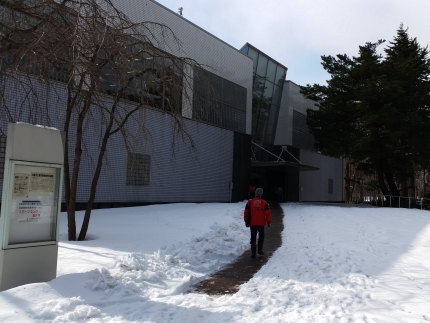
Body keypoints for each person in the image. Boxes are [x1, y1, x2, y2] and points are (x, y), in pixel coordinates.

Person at [243, 187, 272, 258]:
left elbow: (246, 213)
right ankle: (260, 250)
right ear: (261, 194)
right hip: (261, 224)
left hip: (253, 224)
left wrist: (246, 221)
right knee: (261, 237)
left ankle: (253, 253)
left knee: (253, 238)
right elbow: (268, 214)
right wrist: (269, 222)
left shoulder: (250, 202)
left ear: (255, 193)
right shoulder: (264, 203)